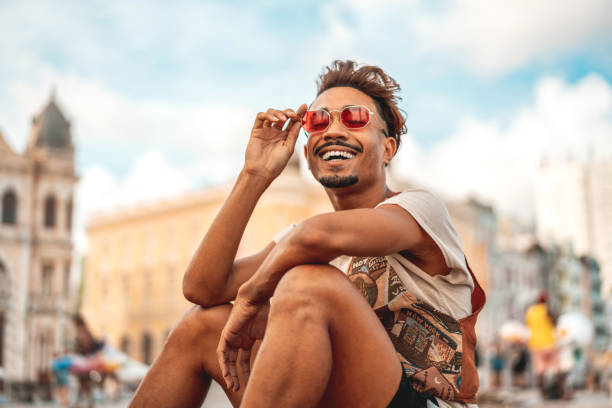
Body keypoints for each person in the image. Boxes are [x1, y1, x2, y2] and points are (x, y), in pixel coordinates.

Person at [130, 60, 485, 408]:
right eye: (318, 121)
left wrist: (253, 295)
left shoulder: (419, 210)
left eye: (355, 118)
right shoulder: (301, 237)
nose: (333, 130)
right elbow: (201, 287)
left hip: (424, 402)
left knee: (307, 283)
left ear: (388, 149)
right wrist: (254, 175)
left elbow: (316, 237)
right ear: (307, 152)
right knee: (202, 326)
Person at [525, 291, 560, 398]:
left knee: (539, 370)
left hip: (536, 344)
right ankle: (559, 391)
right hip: (550, 343)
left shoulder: (530, 312)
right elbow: (555, 324)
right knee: (556, 369)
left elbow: (529, 325)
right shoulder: (548, 310)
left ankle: (543, 393)